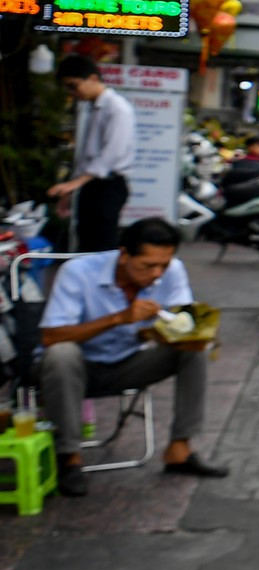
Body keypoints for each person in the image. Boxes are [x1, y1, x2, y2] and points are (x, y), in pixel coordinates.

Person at [38, 218, 228, 497]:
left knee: (194, 348)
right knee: (61, 353)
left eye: (163, 265)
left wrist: (178, 331)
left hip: (128, 362)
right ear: (124, 254)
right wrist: (119, 319)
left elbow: (180, 319)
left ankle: (180, 448)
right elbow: (50, 337)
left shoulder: (172, 271)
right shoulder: (78, 273)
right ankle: (68, 458)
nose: (157, 274)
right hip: (73, 368)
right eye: (148, 266)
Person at [50, 55, 136, 253]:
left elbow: (111, 154)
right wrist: (72, 189)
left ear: (93, 78)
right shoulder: (89, 108)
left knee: (101, 246)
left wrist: (75, 184)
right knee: (86, 242)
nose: (73, 92)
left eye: (74, 85)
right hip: (91, 184)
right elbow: (84, 155)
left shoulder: (117, 108)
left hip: (108, 185)